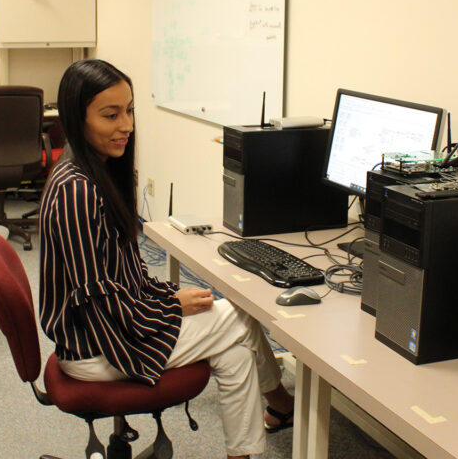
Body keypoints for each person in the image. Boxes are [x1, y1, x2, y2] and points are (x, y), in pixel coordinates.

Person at [38, 59, 294, 459]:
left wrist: (163, 297)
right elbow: (101, 301)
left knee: (233, 348)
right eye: (111, 115)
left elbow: (122, 271)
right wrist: (170, 305)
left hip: (105, 329)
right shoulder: (77, 191)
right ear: (76, 118)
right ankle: (280, 400)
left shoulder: (92, 171)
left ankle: (254, 439)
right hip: (97, 345)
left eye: (130, 110)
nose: (126, 125)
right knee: (242, 316)